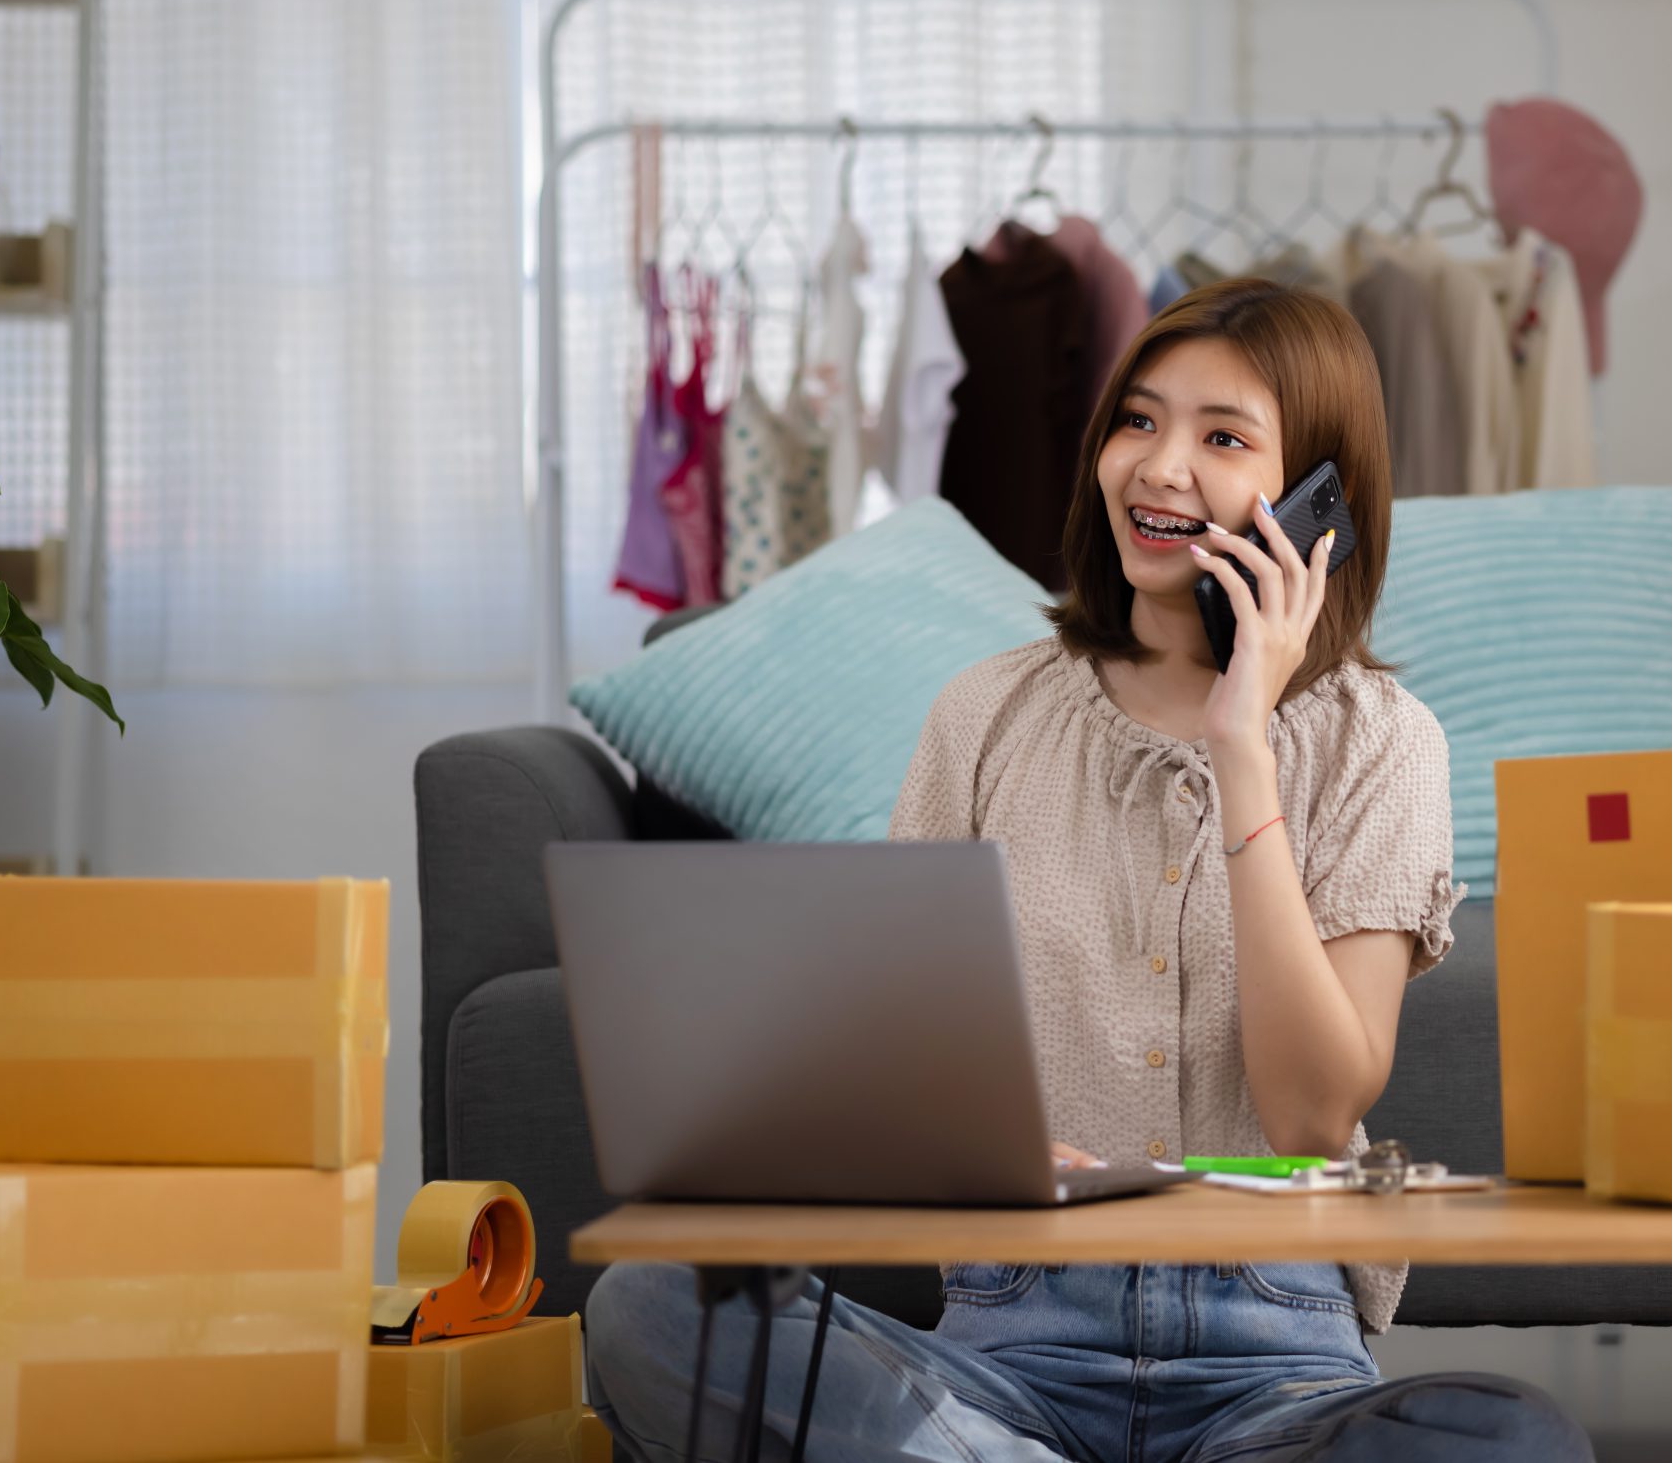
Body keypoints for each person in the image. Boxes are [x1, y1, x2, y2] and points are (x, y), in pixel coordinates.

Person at [587, 279, 1593, 1461]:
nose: (1159, 468)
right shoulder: (985, 713)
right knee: (651, 1303)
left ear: (1318, 500)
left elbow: (1315, 1111)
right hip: (1003, 1350)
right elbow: (898, 1071)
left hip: (1274, 1351)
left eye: (1222, 438)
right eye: (1137, 421)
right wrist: (968, 1144)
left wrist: (1242, 746)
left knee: (1505, 1436)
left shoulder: (1382, 737)